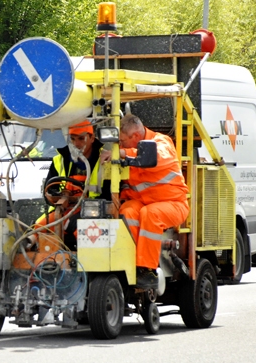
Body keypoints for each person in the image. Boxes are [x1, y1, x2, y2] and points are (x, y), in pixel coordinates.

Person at [116, 113, 189, 289]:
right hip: (143, 203)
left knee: (151, 214)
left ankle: (146, 269)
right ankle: (127, 263)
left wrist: (125, 153)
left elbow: (155, 158)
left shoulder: (162, 142)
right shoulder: (129, 153)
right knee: (127, 211)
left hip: (174, 204)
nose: (120, 145)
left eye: (122, 141)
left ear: (135, 137)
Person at [30, 121, 112, 250]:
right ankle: (39, 255)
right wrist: (57, 196)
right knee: (40, 228)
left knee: (81, 230)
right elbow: (49, 190)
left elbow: (109, 195)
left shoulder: (106, 159)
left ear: (91, 138)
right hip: (64, 210)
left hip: (95, 213)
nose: (76, 144)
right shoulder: (60, 160)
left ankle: (86, 263)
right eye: (72, 139)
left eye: (81, 138)